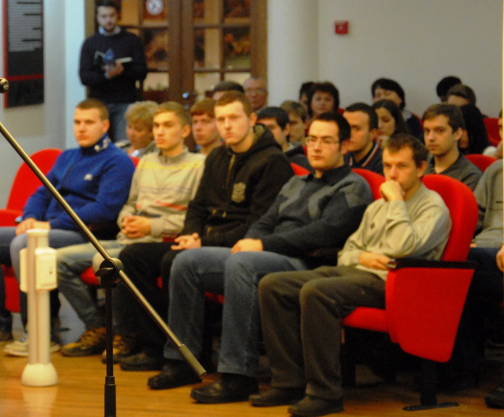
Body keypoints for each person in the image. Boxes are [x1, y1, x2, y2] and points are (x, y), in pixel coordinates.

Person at [150, 112, 373, 398]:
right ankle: (184, 360)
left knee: (243, 263)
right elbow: (265, 220)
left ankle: (237, 375)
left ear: (344, 146)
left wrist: (263, 246)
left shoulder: (353, 186)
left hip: (307, 262)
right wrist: (251, 239)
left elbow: (323, 234)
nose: (316, 147)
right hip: (268, 253)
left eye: (326, 141)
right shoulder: (297, 182)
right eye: (312, 139)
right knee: (187, 261)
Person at [253, 134, 451, 417]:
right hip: (358, 271)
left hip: (397, 283)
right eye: (387, 166)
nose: (392, 174)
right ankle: (289, 382)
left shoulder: (433, 206)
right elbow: (348, 251)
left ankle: (325, 393)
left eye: (401, 166)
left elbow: (402, 248)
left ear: (421, 168)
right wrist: (363, 256)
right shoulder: (379, 205)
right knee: (274, 285)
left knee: (317, 291)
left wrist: (395, 202)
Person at [115, 91, 294, 372]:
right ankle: (156, 345)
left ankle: (190, 352)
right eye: (221, 119)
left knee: (173, 261)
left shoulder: (272, 162)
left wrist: (202, 240)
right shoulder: (218, 156)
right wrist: (190, 234)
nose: (227, 125)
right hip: (204, 240)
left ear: (252, 119)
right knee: (132, 257)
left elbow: (257, 224)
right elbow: (197, 206)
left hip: (240, 246)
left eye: (233, 118)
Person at [0, 99, 135, 354]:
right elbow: (41, 193)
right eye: (77, 122)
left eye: (89, 122)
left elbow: (104, 209)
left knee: (24, 244)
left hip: (86, 234)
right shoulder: (68, 157)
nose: (81, 128)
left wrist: (49, 224)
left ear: (105, 125)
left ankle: (39, 331)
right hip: (50, 228)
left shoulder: (117, 161)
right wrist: (28, 217)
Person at [56, 102, 205, 358]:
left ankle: (124, 333)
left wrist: (152, 225)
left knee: (104, 260)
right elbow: (129, 204)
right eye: (156, 126)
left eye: (168, 126)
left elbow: (195, 218)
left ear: (185, 131)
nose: (159, 132)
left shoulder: (198, 164)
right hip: (130, 236)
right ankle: (98, 326)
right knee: (59, 261)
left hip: (161, 241)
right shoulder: (145, 163)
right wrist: (126, 220)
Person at [440, 160, 502, 392]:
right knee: (450, 265)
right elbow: (474, 216)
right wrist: (462, 239)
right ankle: (460, 371)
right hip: (484, 249)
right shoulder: (497, 170)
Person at [79, 0, 148, 142]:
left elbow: (142, 71)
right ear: (97, 18)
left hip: (125, 101)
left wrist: (122, 71)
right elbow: (84, 77)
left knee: (124, 144)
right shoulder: (90, 43)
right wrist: (106, 75)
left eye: (111, 15)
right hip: (98, 103)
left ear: (117, 16)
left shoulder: (131, 40)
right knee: (97, 145)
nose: (108, 20)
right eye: (104, 16)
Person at [422, 103, 482, 190]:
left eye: (440, 131)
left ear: (457, 134)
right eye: (427, 131)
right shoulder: (420, 166)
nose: (430, 138)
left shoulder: (471, 177)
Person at [256, 107, 311, 171]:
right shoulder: (254, 159)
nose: (266, 132)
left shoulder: (302, 163)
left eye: (271, 128)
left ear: (286, 129)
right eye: (262, 128)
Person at [342, 103, 383, 174]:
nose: (348, 133)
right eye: (345, 127)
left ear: (373, 134)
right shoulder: (342, 159)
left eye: (356, 128)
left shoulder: (385, 164)